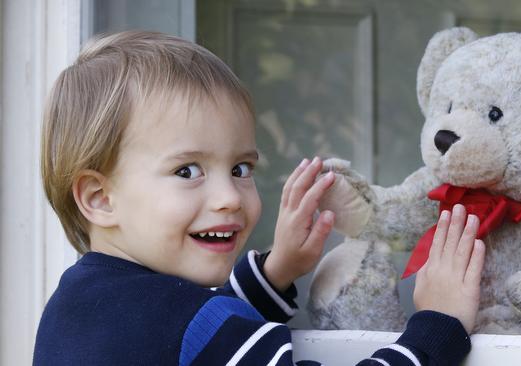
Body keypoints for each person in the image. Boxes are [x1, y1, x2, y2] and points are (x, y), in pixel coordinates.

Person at [33, 31, 485, 366]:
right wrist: (437, 325)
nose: (230, 196)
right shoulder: (191, 324)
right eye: (187, 171)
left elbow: (200, 338)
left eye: (240, 169)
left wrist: (276, 271)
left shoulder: (72, 308)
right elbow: (204, 333)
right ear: (99, 198)